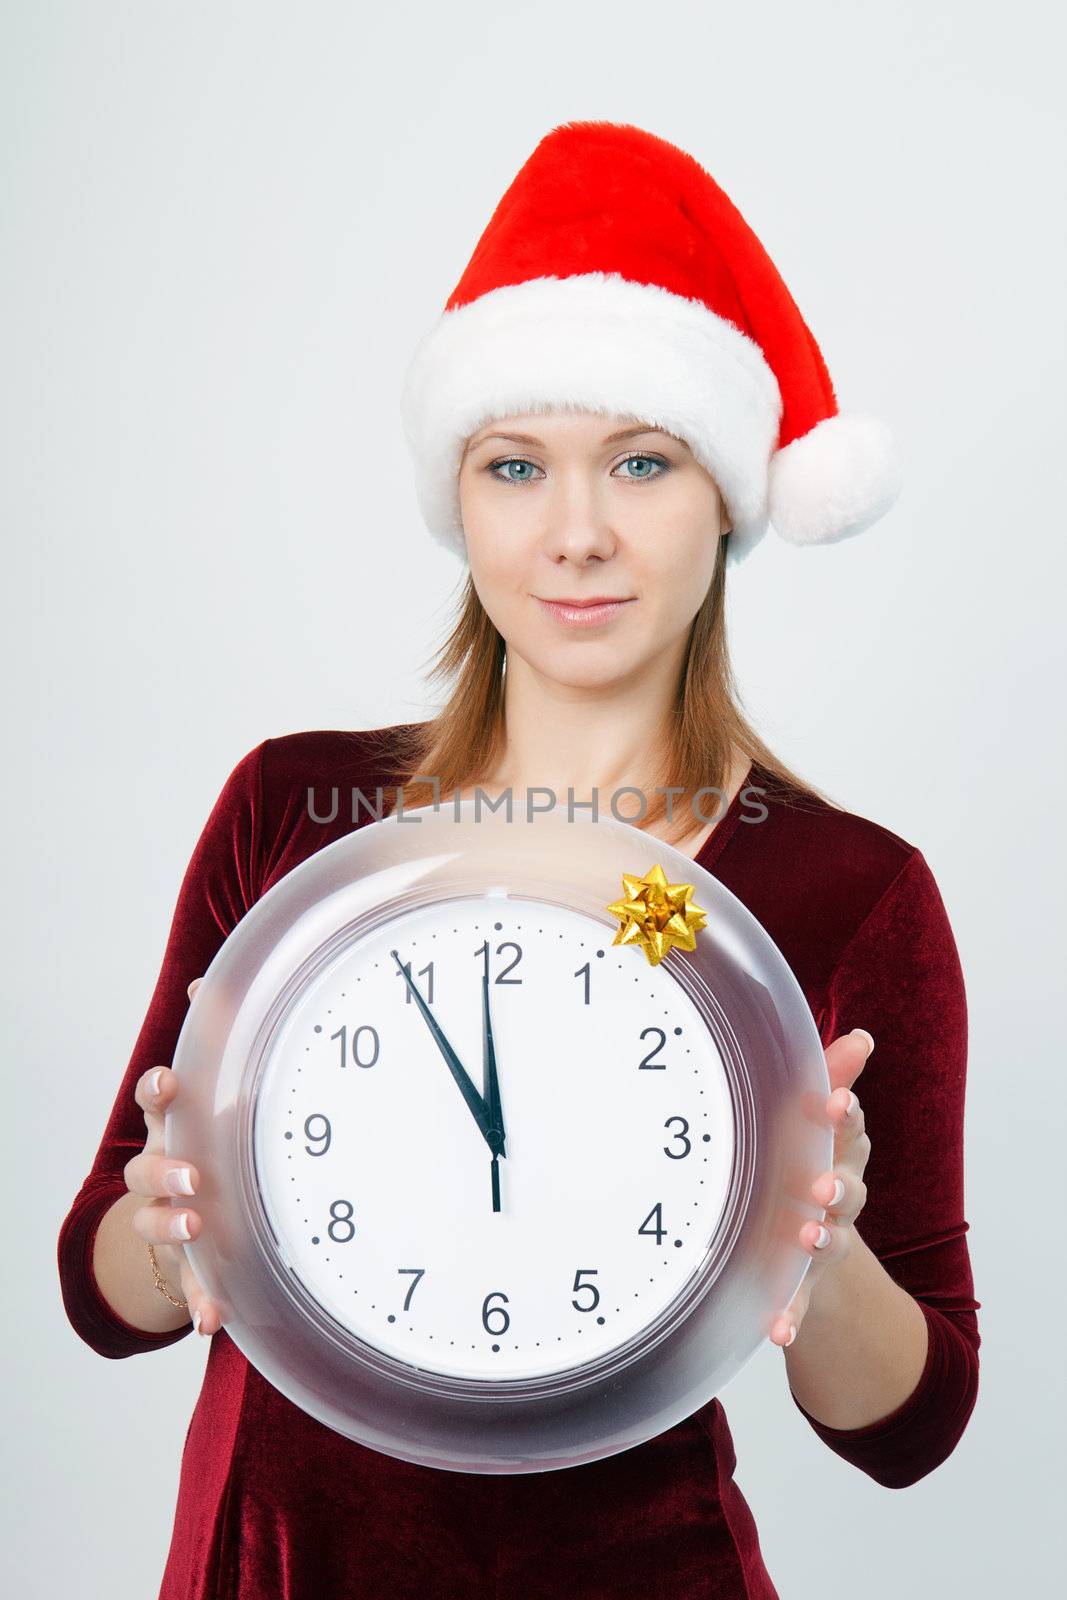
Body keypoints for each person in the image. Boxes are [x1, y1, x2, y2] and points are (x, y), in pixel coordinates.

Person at [57, 121, 981, 1599]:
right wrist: (167, 1227)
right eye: (513, 465)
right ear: (461, 497)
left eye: (639, 461)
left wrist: (827, 1241)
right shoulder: (297, 815)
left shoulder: (843, 889)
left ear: (728, 497)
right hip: (273, 1568)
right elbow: (102, 1299)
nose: (576, 535)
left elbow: (912, 1427)